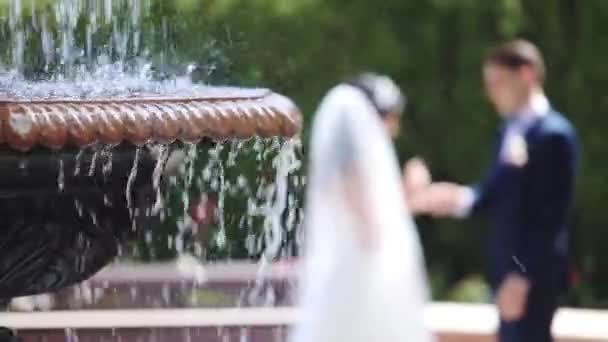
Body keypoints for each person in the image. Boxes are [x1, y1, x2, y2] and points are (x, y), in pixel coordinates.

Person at [408, 39, 578, 342]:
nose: (490, 92)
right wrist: (455, 198)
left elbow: (551, 219)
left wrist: (521, 277)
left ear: (526, 74)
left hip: (531, 279)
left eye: (497, 82)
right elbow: (495, 194)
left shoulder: (555, 135)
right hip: (504, 271)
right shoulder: (508, 131)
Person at [289, 73, 433, 342]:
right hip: (360, 264)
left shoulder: (352, 166)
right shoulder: (352, 169)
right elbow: (370, 220)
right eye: (393, 118)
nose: (395, 128)